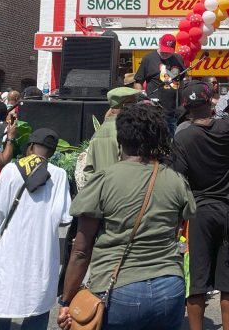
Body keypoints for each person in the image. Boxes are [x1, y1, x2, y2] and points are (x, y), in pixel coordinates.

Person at [58, 102, 196, 330]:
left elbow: (81, 250)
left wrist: (67, 299)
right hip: (170, 286)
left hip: (118, 288)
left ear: (120, 139)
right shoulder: (175, 181)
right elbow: (177, 229)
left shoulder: (103, 180)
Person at [173, 79, 229, 330]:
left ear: (186, 107)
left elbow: (179, 180)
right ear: (211, 101)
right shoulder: (228, 126)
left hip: (200, 213)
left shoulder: (183, 138)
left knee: (198, 282)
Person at [0, 128, 72, 330]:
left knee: (2, 302)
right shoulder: (59, 175)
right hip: (41, 253)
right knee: (37, 305)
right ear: (51, 153)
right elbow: (65, 216)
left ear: (31, 147)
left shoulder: (10, 170)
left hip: (10, 249)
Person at [83, 86, 141, 181]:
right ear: (124, 106)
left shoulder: (98, 133)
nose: (137, 106)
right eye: (134, 103)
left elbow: (88, 171)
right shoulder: (128, 132)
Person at [135, 34, 186, 134]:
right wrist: (142, 97)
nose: (166, 54)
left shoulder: (178, 58)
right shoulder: (148, 59)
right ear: (159, 44)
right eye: (164, 50)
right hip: (155, 111)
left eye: (169, 52)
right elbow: (138, 81)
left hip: (175, 110)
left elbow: (182, 80)